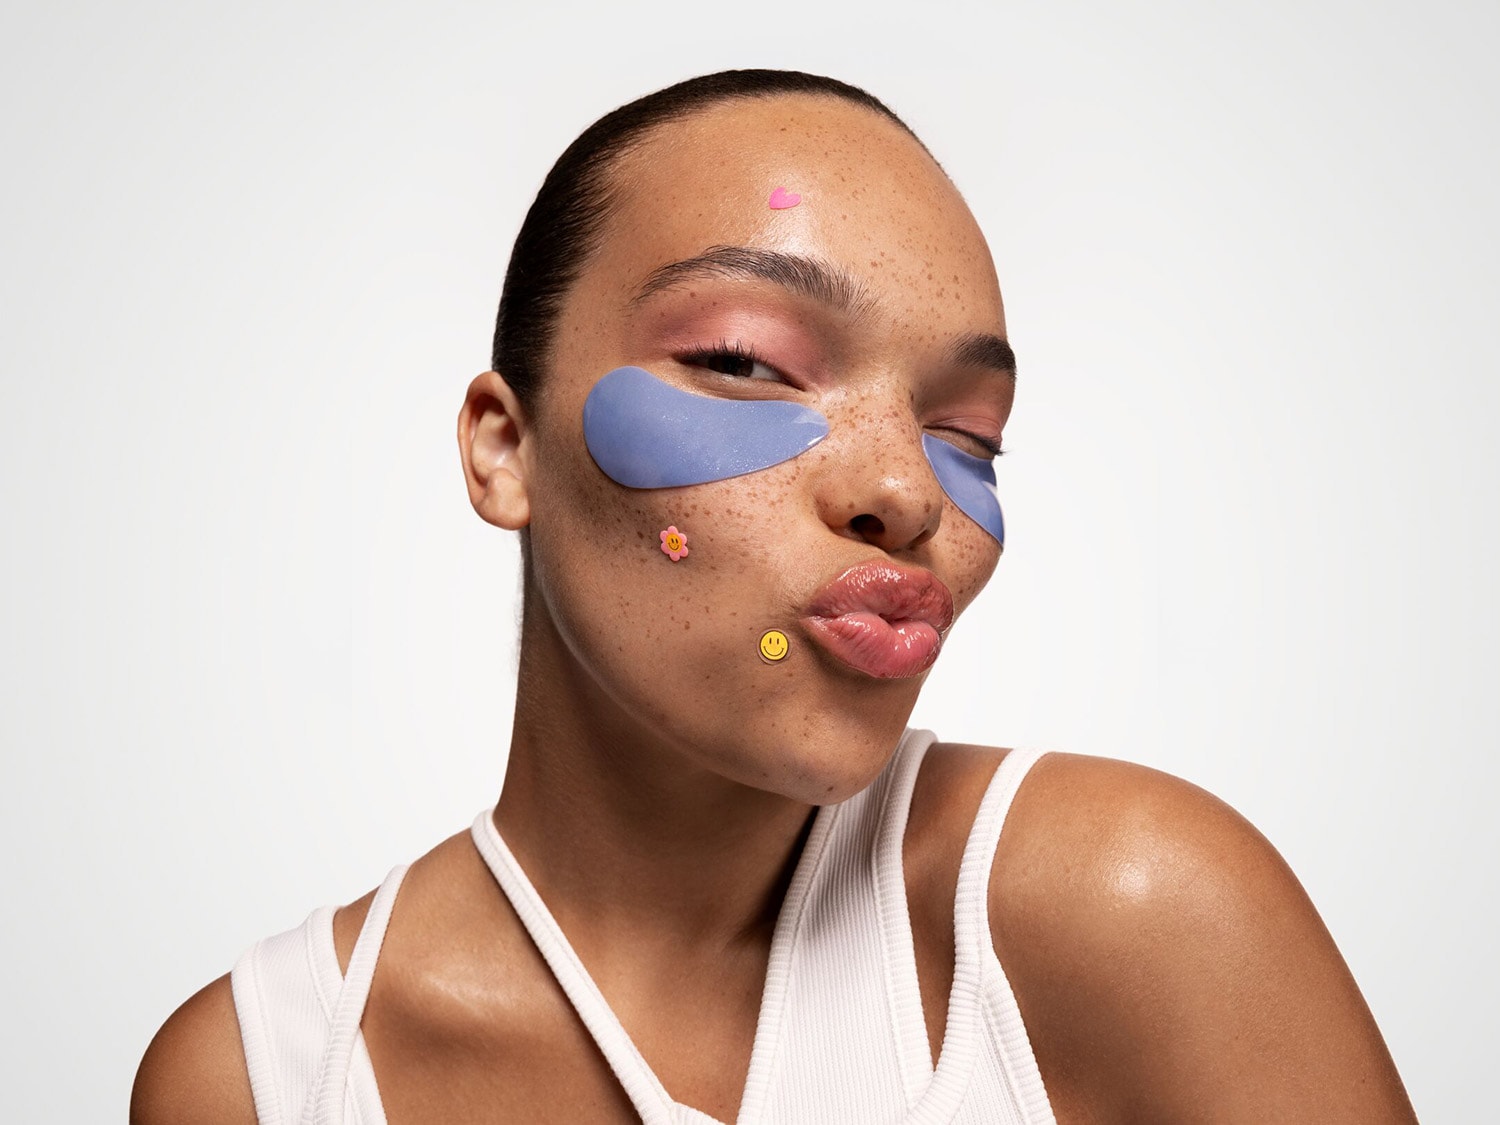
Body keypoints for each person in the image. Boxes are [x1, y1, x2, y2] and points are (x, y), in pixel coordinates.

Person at [130, 69, 1416, 1124]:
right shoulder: (263, 1079)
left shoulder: (1135, 910)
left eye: (970, 430)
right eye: (746, 361)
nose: (906, 491)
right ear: (502, 449)